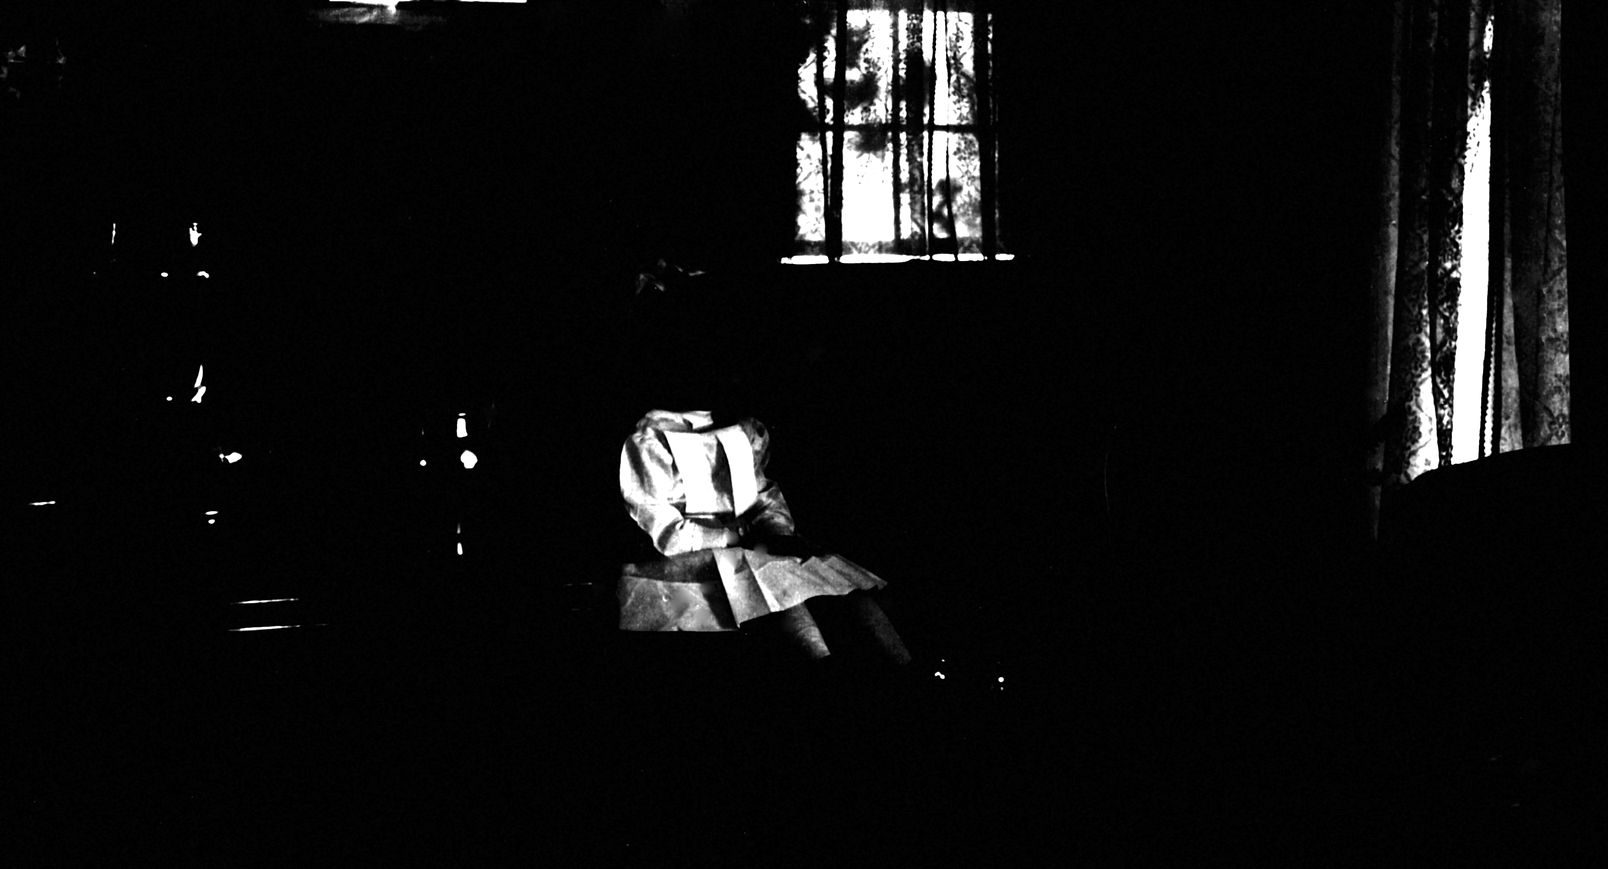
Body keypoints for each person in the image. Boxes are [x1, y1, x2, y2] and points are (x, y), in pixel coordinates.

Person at [613, 263, 911, 670]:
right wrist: (736, 538)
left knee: (844, 594)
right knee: (786, 605)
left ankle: (903, 673)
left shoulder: (741, 429)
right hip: (691, 564)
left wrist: (775, 531)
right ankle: (827, 672)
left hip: (757, 548)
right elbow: (666, 532)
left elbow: (763, 493)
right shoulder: (651, 441)